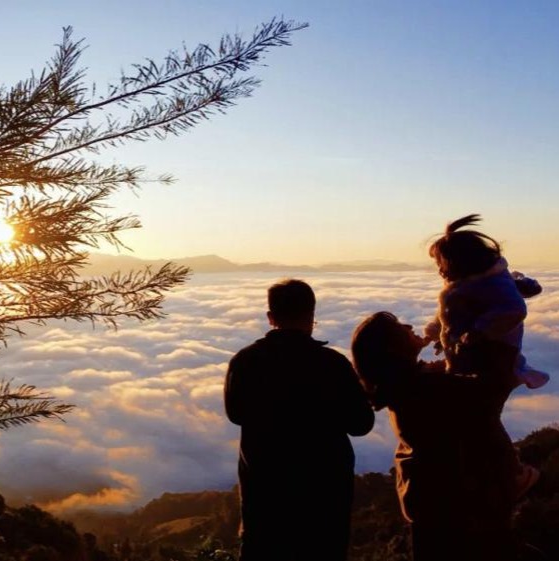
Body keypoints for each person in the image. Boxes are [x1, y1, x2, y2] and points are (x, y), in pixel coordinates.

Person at [224, 279, 375, 560]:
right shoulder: (332, 364)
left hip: (264, 492)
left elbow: (236, 415)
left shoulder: (245, 361)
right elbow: (360, 424)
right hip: (324, 496)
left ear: (271, 318)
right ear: (312, 315)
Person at [351, 311, 519, 561]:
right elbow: (493, 389)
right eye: (399, 326)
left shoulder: (406, 389)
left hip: (433, 509)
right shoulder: (424, 391)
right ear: (392, 348)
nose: (408, 325)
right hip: (458, 516)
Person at [425, 213, 546, 496]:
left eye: (440, 264)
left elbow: (514, 310)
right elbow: (449, 316)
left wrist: (478, 332)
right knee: (476, 418)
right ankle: (488, 471)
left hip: (494, 363)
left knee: (483, 418)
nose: (439, 270)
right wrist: (434, 334)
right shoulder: (465, 285)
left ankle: (514, 473)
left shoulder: (491, 285)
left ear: (459, 262)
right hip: (472, 362)